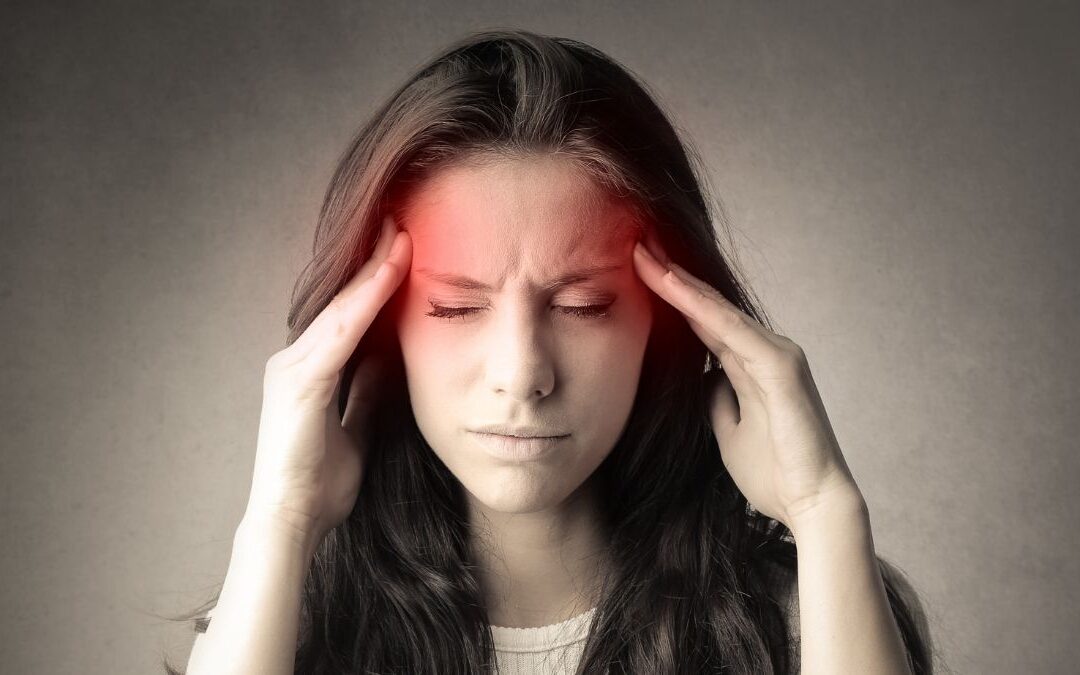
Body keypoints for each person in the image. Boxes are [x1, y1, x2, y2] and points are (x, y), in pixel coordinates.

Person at [165, 28, 934, 675]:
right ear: (375, 328)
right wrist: (280, 519)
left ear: (670, 320)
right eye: (457, 305)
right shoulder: (273, 620)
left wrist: (825, 512)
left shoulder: (801, 620)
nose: (523, 372)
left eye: (582, 305)